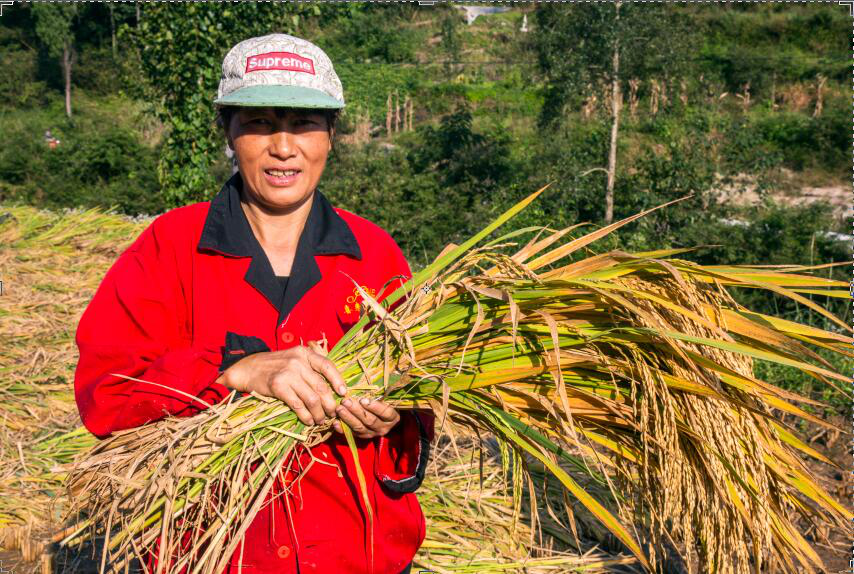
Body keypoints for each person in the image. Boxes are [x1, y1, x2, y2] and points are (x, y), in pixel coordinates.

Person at [73, 33, 434, 574]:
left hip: (352, 555)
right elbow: (108, 391)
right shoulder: (170, 247)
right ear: (229, 132)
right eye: (259, 123)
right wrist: (230, 372)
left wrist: (388, 422)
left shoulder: (376, 256)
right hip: (213, 556)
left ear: (332, 135)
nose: (283, 147)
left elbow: (418, 404)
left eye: (304, 124)